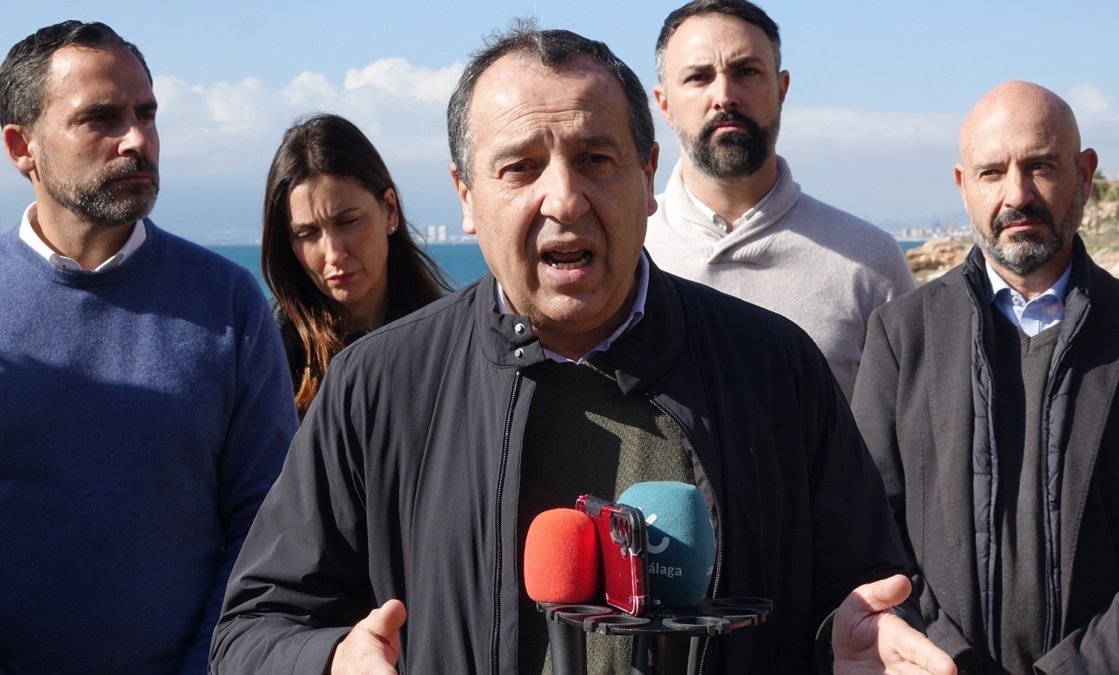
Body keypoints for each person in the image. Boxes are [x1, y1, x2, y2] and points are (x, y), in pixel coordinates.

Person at [210, 24, 954, 675]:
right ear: (465, 195)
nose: (564, 198)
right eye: (520, 167)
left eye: (596, 158)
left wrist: (860, 640)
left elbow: (867, 592)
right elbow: (255, 628)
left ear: (648, 176)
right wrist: (333, 659)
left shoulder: (775, 369)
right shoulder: (377, 387)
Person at [852, 81, 1119, 673]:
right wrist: (946, 659)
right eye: (992, 172)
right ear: (963, 186)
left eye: (1040, 166)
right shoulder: (901, 336)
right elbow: (868, 526)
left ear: (1084, 175)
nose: (1017, 194)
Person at [0, 20, 297, 674]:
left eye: (146, 113)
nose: (136, 139)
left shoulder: (227, 302)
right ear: (22, 147)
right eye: (101, 118)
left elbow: (265, 522)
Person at [645, 0, 913, 398]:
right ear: (664, 104)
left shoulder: (870, 262)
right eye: (699, 77)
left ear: (781, 89)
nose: (725, 96)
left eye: (746, 72)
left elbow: (908, 426)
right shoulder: (627, 249)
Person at [262, 113, 450, 414]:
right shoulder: (265, 348)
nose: (333, 253)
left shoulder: (450, 341)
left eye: (347, 222)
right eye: (308, 233)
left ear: (389, 210)